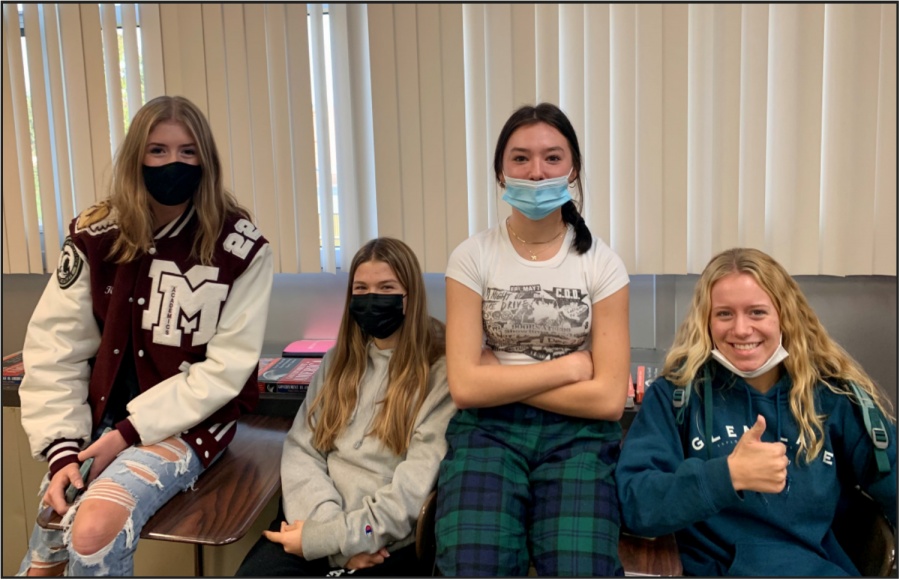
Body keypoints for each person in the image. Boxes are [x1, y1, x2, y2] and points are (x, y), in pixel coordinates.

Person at [17, 95, 274, 576]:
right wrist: (61, 450)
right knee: (46, 558)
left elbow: (224, 371)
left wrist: (126, 436)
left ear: (206, 160)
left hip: (188, 422)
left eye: (187, 151)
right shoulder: (96, 234)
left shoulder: (239, 246)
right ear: (137, 156)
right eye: (157, 150)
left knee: (94, 531)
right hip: (97, 420)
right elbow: (56, 348)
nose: (172, 163)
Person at [435, 103, 631, 576]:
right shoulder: (471, 257)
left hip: (579, 438)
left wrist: (498, 374)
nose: (537, 172)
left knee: (579, 565)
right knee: (470, 564)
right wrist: (567, 368)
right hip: (488, 432)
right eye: (520, 158)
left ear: (574, 169)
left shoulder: (603, 265)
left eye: (552, 158)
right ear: (501, 173)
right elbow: (464, 388)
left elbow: (606, 400)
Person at [615, 247, 897, 576]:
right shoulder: (676, 396)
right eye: (724, 314)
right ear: (706, 322)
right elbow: (635, 504)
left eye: (757, 312)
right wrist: (729, 475)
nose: (741, 329)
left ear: (785, 316)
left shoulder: (835, 397)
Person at [236, 237, 455, 577]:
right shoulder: (337, 361)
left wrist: (333, 541)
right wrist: (329, 541)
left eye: (386, 288)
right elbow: (302, 451)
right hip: (313, 523)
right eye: (361, 289)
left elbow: (410, 496)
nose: (371, 300)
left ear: (410, 296)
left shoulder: (439, 373)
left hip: (382, 542)